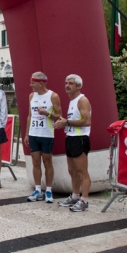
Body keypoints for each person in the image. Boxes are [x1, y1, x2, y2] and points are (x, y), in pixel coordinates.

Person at [23, 72, 62, 203]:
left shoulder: (53, 96)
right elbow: (30, 115)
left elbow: (59, 115)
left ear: (40, 83)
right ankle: (38, 189)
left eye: (32, 83)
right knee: (35, 162)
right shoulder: (31, 96)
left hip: (47, 134)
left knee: (47, 162)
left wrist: (47, 113)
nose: (30, 85)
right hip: (34, 133)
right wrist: (27, 133)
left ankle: (49, 190)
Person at [55, 74, 92, 212]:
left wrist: (67, 122)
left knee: (82, 171)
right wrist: (65, 123)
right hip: (70, 137)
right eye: (66, 83)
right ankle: (75, 196)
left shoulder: (82, 100)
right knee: (72, 171)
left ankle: (85, 200)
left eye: (70, 83)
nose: (67, 85)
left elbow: (87, 121)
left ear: (78, 86)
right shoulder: (72, 100)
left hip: (80, 138)